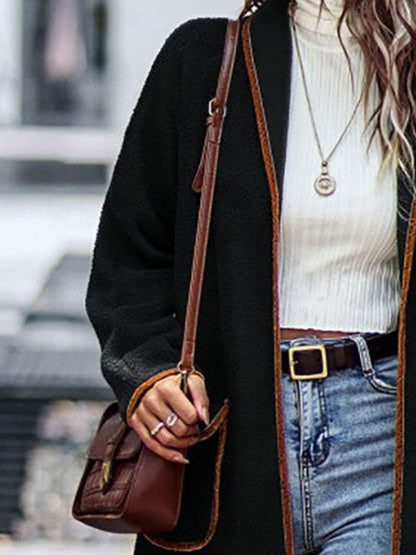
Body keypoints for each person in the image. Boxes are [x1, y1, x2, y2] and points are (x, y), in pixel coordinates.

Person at [85, 0, 416, 553]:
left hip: (382, 441)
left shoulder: (407, 72)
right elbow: (129, 256)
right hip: (230, 434)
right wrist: (149, 372)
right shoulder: (204, 60)